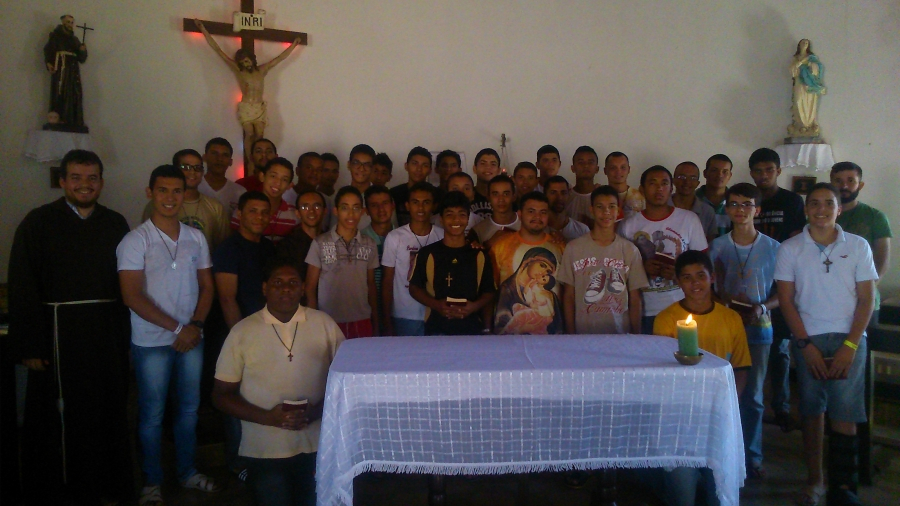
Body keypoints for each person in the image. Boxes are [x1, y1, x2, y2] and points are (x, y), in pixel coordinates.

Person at [9, 149, 133, 505]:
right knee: (59, 417)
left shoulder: (116, 223)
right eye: (76, 177)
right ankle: (59, 492)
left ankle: (106, 487)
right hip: (57, 336)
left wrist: (126, 339)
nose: (84, 184)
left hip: (106, 335)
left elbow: (128, 282)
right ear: (62, 181)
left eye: (92, 178)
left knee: (106, 412)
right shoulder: (37, 223)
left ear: (101, 183)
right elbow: (22, 285)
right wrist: (30, 346)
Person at [117, 165, 219, 505]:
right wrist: (179, 328)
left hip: (192, 339)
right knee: (152, 415)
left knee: (189, 410)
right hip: (152, 342)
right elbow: (131, 296)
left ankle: (187, 472)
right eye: (163, 190)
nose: (170, 197)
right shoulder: (135, 240)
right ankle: (152, 482)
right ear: (150, 193)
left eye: (177, 190)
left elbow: (207, 287)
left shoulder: (195, 237)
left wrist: (196, 326)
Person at [774, 183, 876, 506]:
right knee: (811, 410)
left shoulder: (858, 246)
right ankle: (815, 480)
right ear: (806, 210)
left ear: (839, 209)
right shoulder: (790, 248)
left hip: (850, 338)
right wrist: (805, 344)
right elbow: (787, 301)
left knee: (844, 412)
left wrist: (850, 345)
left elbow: (867, 300)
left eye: (828, 203)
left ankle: (843, 487)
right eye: (814, 203)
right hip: (809, 338)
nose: (821, 210)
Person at [213, 257, 344, 506]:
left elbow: (346, 382)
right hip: (265, 449)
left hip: (317, 443)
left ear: (303, 288)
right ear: (265, 288)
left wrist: (317, 412)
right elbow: (221, 395)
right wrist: (268, 418)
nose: (285, 288)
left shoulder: (324, 324)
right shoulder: (242, 331)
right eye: (277, 282)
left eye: (293, 283)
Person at [654, 250, 750, 506]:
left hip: (719, 412)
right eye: (686, 277)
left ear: (712, 278)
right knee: (682, 494)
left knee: (719, 490)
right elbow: (662, 372)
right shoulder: (666, 319)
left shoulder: (731, 318)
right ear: (678, 281)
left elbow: (741, 367)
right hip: (681, 415)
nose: (694, 283)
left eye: (700, 276)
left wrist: (730, 403)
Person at [708, 182, 780, 479]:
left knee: (753, 396)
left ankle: (752, 456)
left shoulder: (773, 248)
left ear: (757, 210)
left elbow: (784, 292)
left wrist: (761, 308)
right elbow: (709, 288)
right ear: (726, 209)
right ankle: (723, 453)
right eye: (734, 204)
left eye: (747, 204)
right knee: (725, 394)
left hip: (760, 328)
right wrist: (724, 302)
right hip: (725, 328)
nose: (740, 210)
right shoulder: (718, 246)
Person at [212, 190, 276, 482]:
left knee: (260, 394)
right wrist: (241, 340)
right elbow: (227, 298)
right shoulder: (229, 249)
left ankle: (262, 456)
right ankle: (238, 462)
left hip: (268, 333)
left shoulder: (269, 248)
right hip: (237, 335)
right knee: (236, 398)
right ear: (239, 214)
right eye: (253, 211)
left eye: (264, 212)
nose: (259, 217)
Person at [749, 147, 806, 432]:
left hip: (782, 280)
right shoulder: (749, 198)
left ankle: (781, 407)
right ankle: (752, 404)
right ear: (751, 173)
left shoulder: (792, 201)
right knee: (753, 349)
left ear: (778, 171)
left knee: (780, 348)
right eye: (758, 171)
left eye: (769, 170)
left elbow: (796, 240)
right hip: (751, 278)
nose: (764, 176)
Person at [195, 19, 301, 169]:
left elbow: (280, 58)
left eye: (247, 61)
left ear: (252, 60)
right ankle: (250, 162)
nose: (246, 64)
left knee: (260, 135)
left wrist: (294, 45)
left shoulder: (262, 70)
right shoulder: (240, 71)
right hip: (246, 106)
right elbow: (218, 51)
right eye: (243, 62)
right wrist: (203, 29)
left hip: (258, 106)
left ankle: (260, 163)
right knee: (250, 133)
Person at [618, 166, 708, 334]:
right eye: (653, 183)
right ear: (642, 189)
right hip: (644, 310)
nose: (659, 189)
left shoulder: (689, 219)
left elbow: (702, 265)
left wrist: (679, 273)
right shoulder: (628, 225)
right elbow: (619, 269)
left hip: (683, 307)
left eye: (664, 183)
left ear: (671, 188)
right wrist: (641, 269)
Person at [558, 185, 648, 334]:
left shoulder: (629, 250)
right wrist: (570, 333)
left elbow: (635, 297)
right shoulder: (573, 248)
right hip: (583, 334)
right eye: (600, 207)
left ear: (618, 210)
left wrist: (635, 336)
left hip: (619, 333)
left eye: (611, 206)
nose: (606, 212)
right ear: (591, 210)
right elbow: (568, 296)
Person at [409, 191, 497, 335]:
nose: (456, 220)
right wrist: (436, 305)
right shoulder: (427, 253)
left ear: (468, 219)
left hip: (472, 329)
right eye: (450, 215)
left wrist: (474, 307)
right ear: (441, 219)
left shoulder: (479, 255)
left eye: (461, 215)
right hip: (436, 328)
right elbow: (414, 288)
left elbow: (489, 292)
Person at [305, 186, 380, 338]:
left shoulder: (369, 244)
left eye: (356, 208)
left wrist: (376, 321)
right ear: (336, 211)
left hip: (361, 318)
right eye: (345, 208)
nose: (351, 214)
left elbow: (371, 284)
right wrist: (313, 321)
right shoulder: (320, 243)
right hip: (328, 320)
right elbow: (310, 287)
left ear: (362, 211)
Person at [491, 192, 566, 335]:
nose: (537, 217)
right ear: (520, 214)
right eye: (531, 211)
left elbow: (567, 293)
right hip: (507, 341)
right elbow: (490, 292)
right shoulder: (501, 247)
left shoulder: (560, 246)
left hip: (551, 340)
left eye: (543, 212)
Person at [830, 162, 892, 331]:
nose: (844, 186)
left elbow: (881, 262)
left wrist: (862, 294)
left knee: (858, 347)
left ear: (860, 185)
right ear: (831, 184)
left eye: (850, 180)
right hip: (827, 303)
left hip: (864, 303)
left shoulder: (875, 217)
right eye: (838, 181)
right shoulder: (821, 216)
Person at [382, 182, 444, 336]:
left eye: (426, 202)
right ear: (407, 206)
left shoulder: (443, 235)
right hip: (403, 315)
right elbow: (387, 281)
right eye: (415, 202)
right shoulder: (395, 237)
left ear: (434, 206)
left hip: (435, 313)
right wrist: (387, 320)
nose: (420, 208)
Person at [142, 149, 231, 250]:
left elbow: (223, 247)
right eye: (186, 167)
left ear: (202, 172)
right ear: (176, 170)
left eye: (197, 168)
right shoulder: (157, 205)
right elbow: (145, 242)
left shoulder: (216, 207)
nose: (192, 172)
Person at [230, 157, 300, 243]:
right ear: (262, 176)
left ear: (289, 185)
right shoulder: (244, 209)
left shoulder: (294, 214)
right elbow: (233, 242)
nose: (278, 183)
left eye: (284, 179)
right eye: (273, 176)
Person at [361, 186, 397, 335]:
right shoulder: (360, 240)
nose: (381, 209)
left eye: (385, 203)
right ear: (366, 211)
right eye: (374, 205)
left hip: (398, 308)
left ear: (393, 205)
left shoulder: (403, 236)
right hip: (368, 307)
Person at [44, 15, 88, 131]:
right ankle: (60, 119)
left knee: (74, 94)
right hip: (61, 70)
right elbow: (48, 50)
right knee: (61, 93)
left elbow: (81, 58)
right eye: (68, 22)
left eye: (72, 22)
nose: (70, 24)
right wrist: (48, 63)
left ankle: (73, 120)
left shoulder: (74, 39)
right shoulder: (56, 37)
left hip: (73, 72)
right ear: (63, 23)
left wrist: (82, 51)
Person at [277, 189, 328, 280]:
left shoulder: (332, 242)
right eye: (305, 207)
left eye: (317, 206)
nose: (311, 211)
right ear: (297, 213)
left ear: (325, 211)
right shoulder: (286, 246)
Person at [788, 39, 827, 138]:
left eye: (806, 43)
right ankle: (800, 124)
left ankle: (808, 124)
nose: (805, 44)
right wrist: (800, 63)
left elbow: (818, 67)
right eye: (803, 42)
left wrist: (810, 65)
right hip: (799, 83)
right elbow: (792, 70)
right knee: (798, 101)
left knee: (809, 103)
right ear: (799, 45)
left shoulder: (811, 58)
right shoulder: (796, 58)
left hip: (809, 84)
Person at [671, 161, 717, 241]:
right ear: (673, 180)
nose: (687, 182)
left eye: (693, 178)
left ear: (697, 183)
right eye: (682, 177)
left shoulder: (707, 211)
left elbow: (710, 242)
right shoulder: (661, 206)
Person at [199, 137, 247, 213]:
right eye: (214, 153)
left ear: (230, 162)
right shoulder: (195, 186)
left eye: (225, 155)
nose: (219, 159)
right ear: (204, 157)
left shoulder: (240, 192)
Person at [470, 174, 519, 247]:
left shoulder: (526, 224)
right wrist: (488, 244)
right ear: (488, 197)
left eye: (506, 194)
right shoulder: (478, 230)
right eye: (495, 194)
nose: (501, 199)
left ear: (514, 196)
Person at [392, 146, 434, 226]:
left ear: (430, 170)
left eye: (424, 165)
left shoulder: (437, 194)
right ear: (406, 166)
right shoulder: (394, 194)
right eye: (415, 164)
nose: (419, 169)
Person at [696, 154, 733, 238]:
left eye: (725, 171)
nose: (719, 175)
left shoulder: (736, 203)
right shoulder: (693, 199)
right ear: (705, 173)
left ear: (730, 176)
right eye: (714, 170)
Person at [545, 175, 590, 242]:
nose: (559, 198)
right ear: (545, 195)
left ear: (569, 194)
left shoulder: (582, 230)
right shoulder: (537, 229)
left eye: (563, 193)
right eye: (553, 192)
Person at [603, 151, 644, 221]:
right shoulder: (600, 196)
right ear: (605, 171)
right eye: (613, 168)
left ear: (629, 169)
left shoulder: (640, 197)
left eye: (623, 167)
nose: (618, 172)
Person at [566, 146, 601, 228]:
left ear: (597, 169)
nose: (586, 166)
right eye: (581, 162)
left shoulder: (605, 196)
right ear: (572, 168)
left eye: (590, 162)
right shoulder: (565, 197)